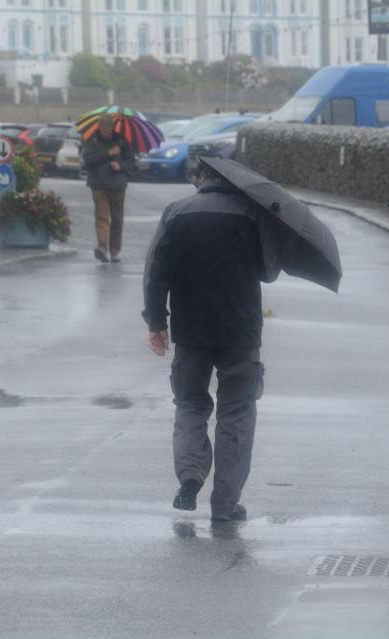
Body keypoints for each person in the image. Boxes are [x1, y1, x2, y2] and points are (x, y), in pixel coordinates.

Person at [142, 163, 266, 523]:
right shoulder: (251, 215)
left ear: (200, 180)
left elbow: (156, 270)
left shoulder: (177, 212)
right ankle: (225, 505)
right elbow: (268, 269)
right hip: (241, 331)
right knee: (237, 412)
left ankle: (191, 475)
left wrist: (156, 321)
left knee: (191, 404)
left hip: (190, 329)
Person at [82, 113, 135, 263]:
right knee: (102, 217)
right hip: (98, 184)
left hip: (118, 185)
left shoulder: (122, 141)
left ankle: (115, 251)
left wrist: (120, 166)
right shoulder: (91, 141)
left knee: (117, 219)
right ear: (99, 127)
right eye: (102, 127)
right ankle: (102, 248)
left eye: (108, 127)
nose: (105, 130)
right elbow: (88, 161)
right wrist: (108, 153)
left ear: (112, 127)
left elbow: (131, 162)